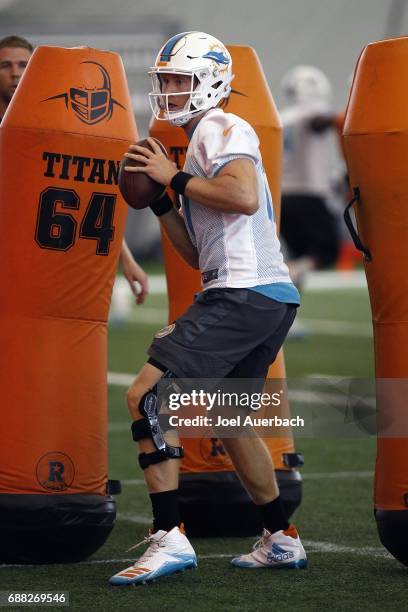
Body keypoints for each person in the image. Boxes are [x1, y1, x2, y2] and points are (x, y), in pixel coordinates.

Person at [109, 31, 307, 587]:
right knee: (230, 421)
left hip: (244, 293)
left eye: (180, 80)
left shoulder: (223, 126)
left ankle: (169, 538)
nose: (169, 91)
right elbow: (198, 252)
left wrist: (174, 176)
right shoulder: (201, 141)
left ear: (212, 82)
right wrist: (165, 201)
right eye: (165, 80)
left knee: (146, 394)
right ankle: (281, 539)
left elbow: (242, 196)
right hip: (262, 295)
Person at [0, 35, 148, 304]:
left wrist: (125, 258)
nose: (15, 74)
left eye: (23, 65)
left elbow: (85, 199)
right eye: (6, 66)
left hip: (42, 263)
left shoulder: (50, 128)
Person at [279, 65, 341, 287]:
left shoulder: (283, 118)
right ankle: (284, 276)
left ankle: (288, 317)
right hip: (308, 193)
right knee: (327, 251)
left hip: (282, 196)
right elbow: (320, 123)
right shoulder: (315, 113)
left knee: (300, 259)